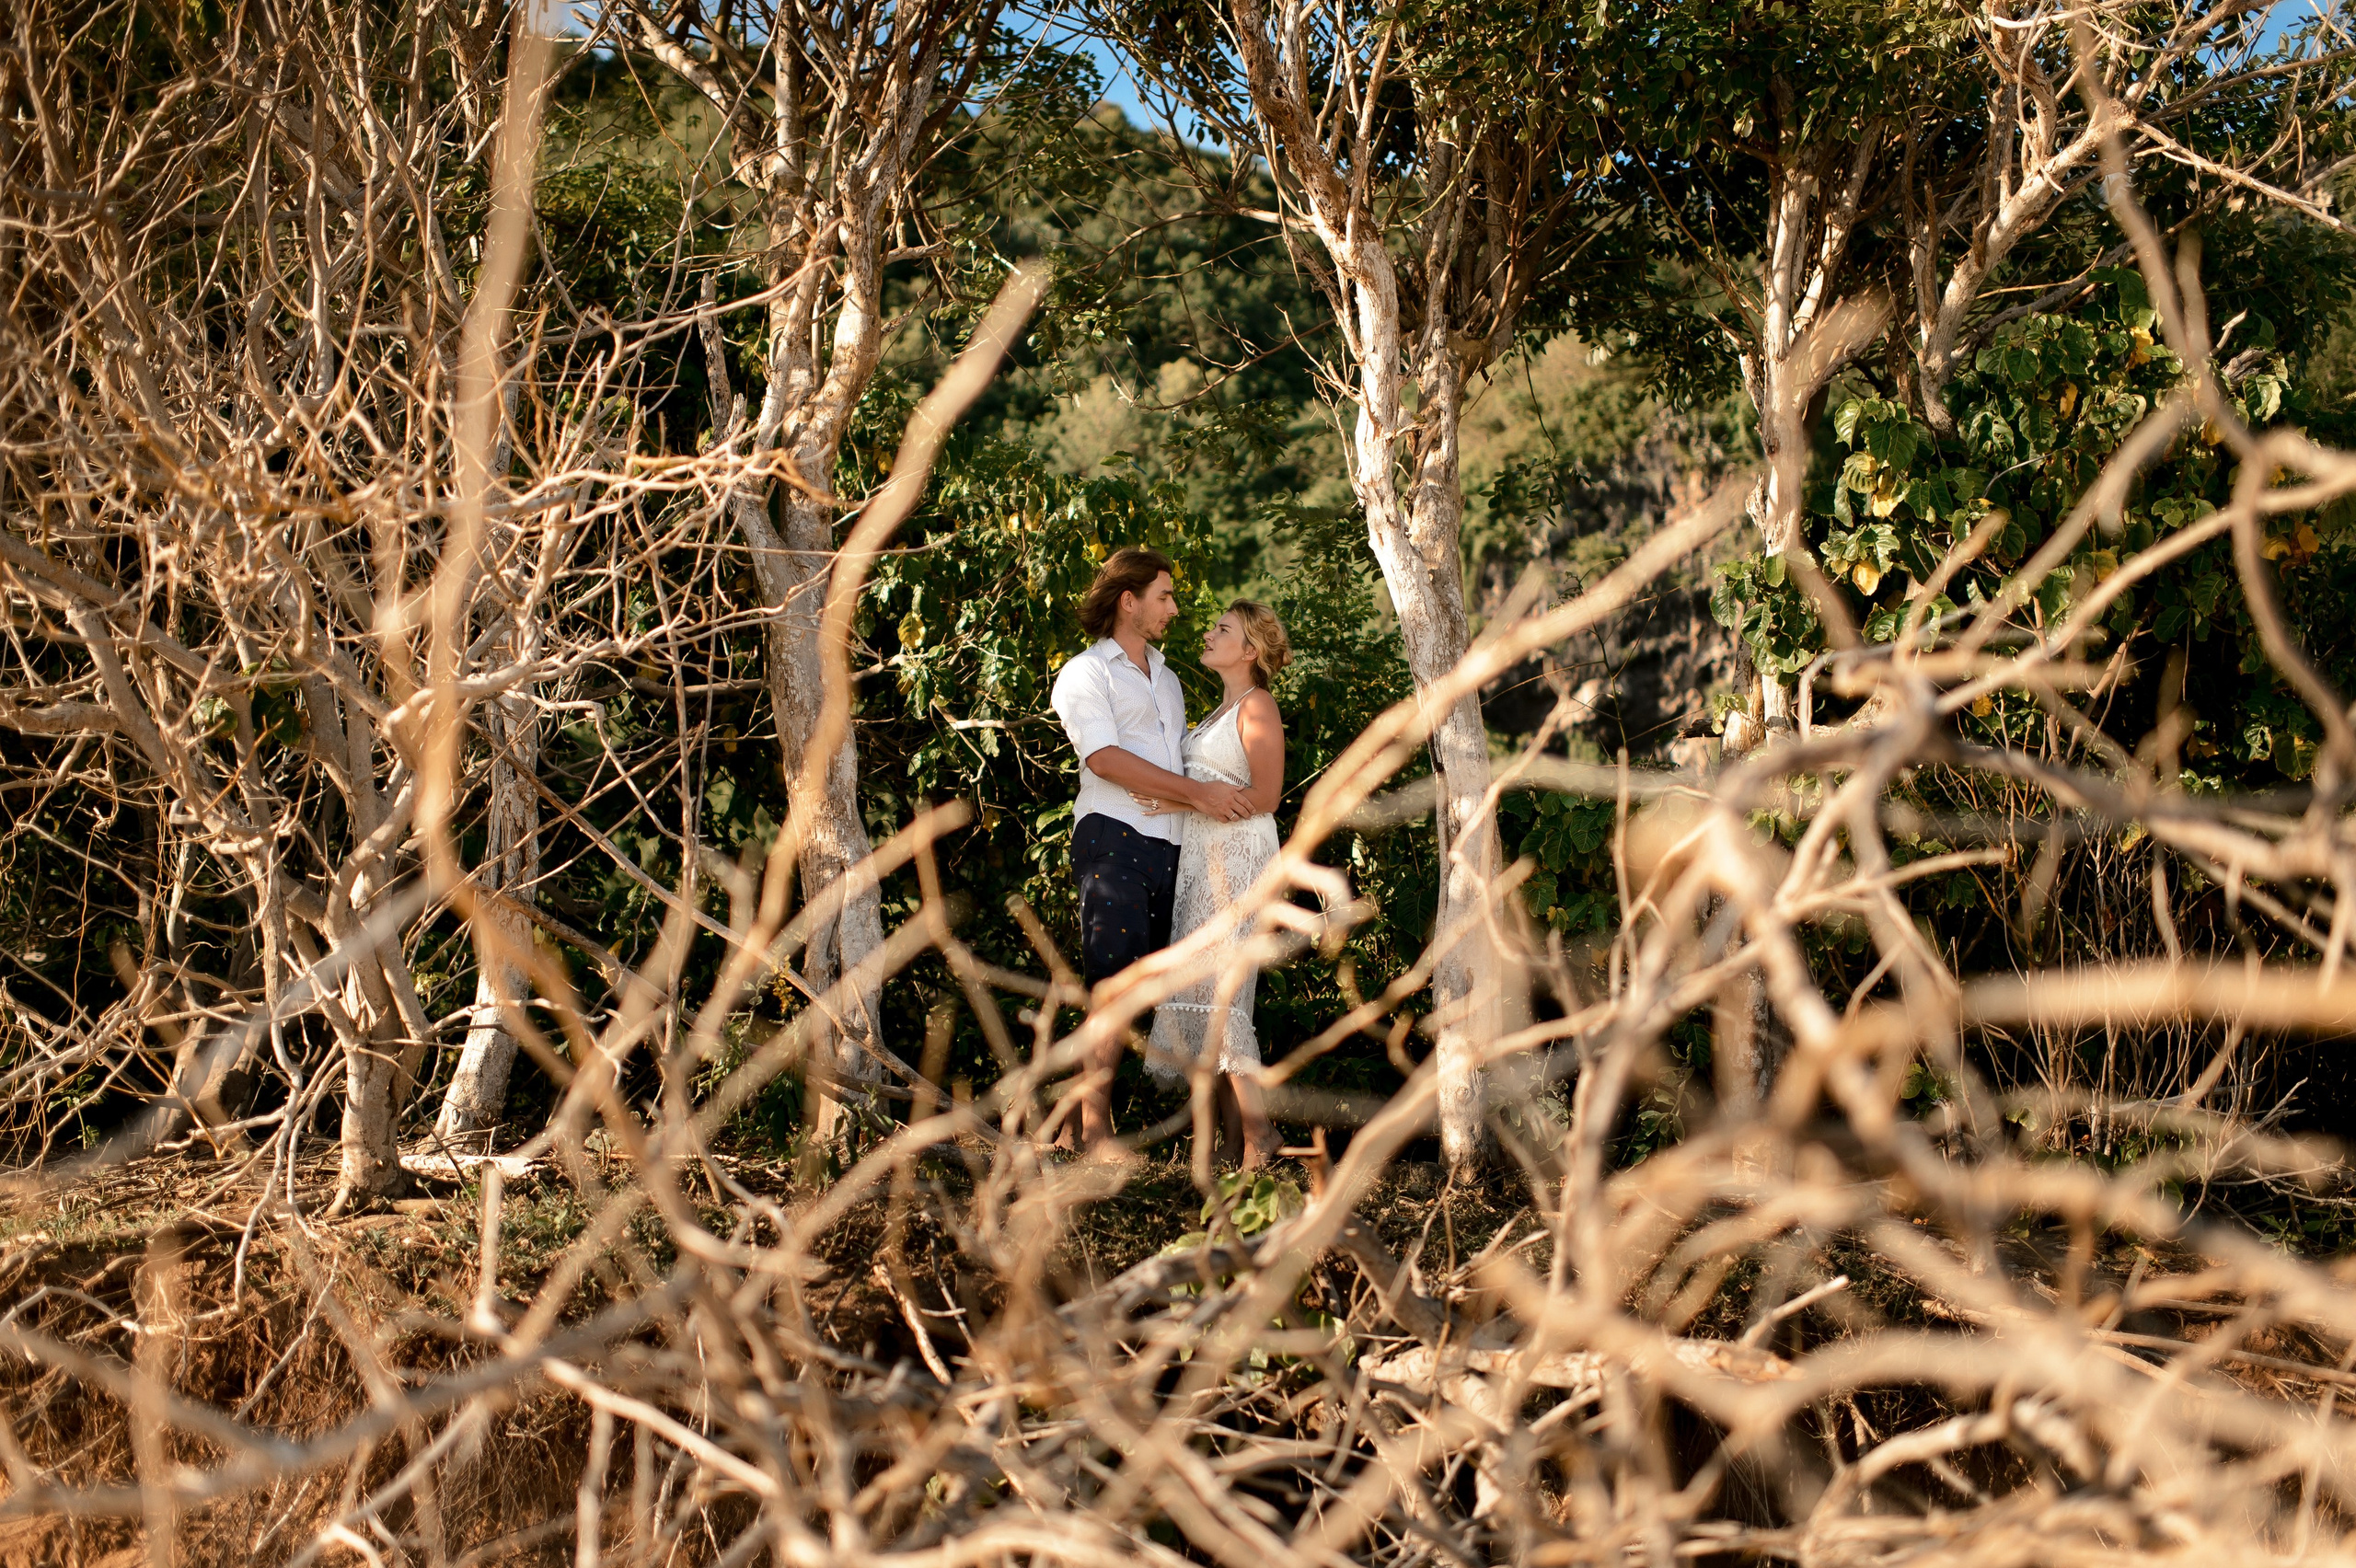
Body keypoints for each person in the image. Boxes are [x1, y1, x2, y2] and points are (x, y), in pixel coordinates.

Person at [1050, 548, 1254, 1153]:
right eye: (1163, 596)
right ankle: (1092, 1131)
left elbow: (1174, 763)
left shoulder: (1166, 680)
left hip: (1174, 848)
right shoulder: (1086, 674)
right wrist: (1199, 793)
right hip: (1112, 837)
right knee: (1114, 983)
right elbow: (1104, 758)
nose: (1173, 607)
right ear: (1128, 600)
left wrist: (1201, 805)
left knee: (1156, 989)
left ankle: (1067, 1125)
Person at [1134, 601, 1289, 1169]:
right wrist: (1178, 797)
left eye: (1223, 629)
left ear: (1250, 651)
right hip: (1202, 860)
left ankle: (1260, 1135)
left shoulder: (1258, 705)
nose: (1208, 632)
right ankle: (1233, 1142)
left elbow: (1268, 796)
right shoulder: (1217, 712)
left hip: (1239, 860)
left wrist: (1175, 797)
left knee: (1224, 993)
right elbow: (1211, 789)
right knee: (1204, 992)